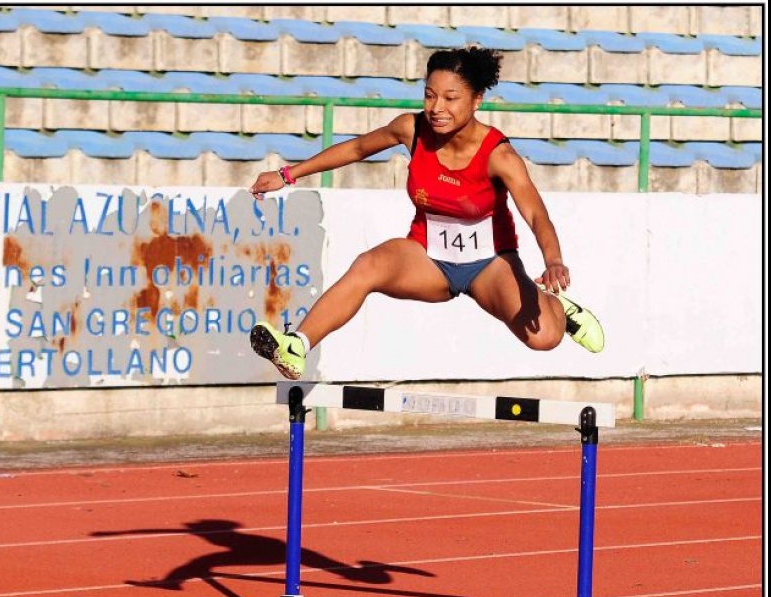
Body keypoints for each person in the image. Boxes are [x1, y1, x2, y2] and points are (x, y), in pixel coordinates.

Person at [247, 45, 604, 381]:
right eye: (430, 95)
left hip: (490, 264)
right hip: (427, 257)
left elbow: (536, 214)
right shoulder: (411, 129)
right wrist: (287, 175)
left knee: (544, 338)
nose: (436, 108)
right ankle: (297, 345)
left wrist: (553, 260)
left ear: (477, 100)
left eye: (450, 98)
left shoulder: (499, 155)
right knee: (368, 265)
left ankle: (559, 308)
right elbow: (357, 148)